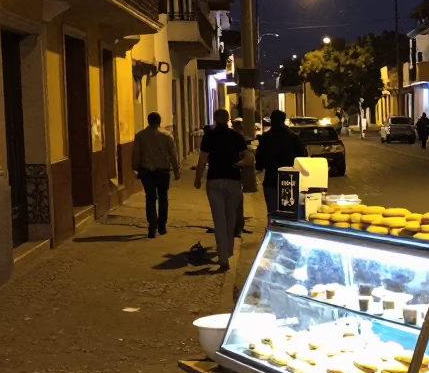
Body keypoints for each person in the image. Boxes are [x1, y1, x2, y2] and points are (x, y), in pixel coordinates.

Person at [194, 108, 251, 271]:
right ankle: (229, 248)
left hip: (214, 180)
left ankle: (223, 257)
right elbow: (247, 157)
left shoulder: (209, 136)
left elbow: (202, 160)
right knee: (230, 216)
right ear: (228, 119)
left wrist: (198, 178)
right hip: (233, 180)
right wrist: (238, 164)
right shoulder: (237, 136)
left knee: (219, 220)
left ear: (214, 119)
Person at [131, 112, 180, 238]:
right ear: (159, 121)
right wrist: (176, 170)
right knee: (163, 197)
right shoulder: (167, 135)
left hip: (147, 172)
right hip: (163, 171)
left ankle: (152, 225)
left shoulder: (140, 136)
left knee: (150, 197)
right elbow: (173, 155)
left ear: (148, 121)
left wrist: (135, 168)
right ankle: (162, 226)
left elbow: (136, 153)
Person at [255, 110, 306, 216]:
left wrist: (259, 169)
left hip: (271, 180)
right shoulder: (294, 137)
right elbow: (303, 157)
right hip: (291, 181)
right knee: (290, 213)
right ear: (284, 120)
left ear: (272, 121)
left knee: (273, 213)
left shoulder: (265, 138)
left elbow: (260, 160)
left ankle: (275, 231)